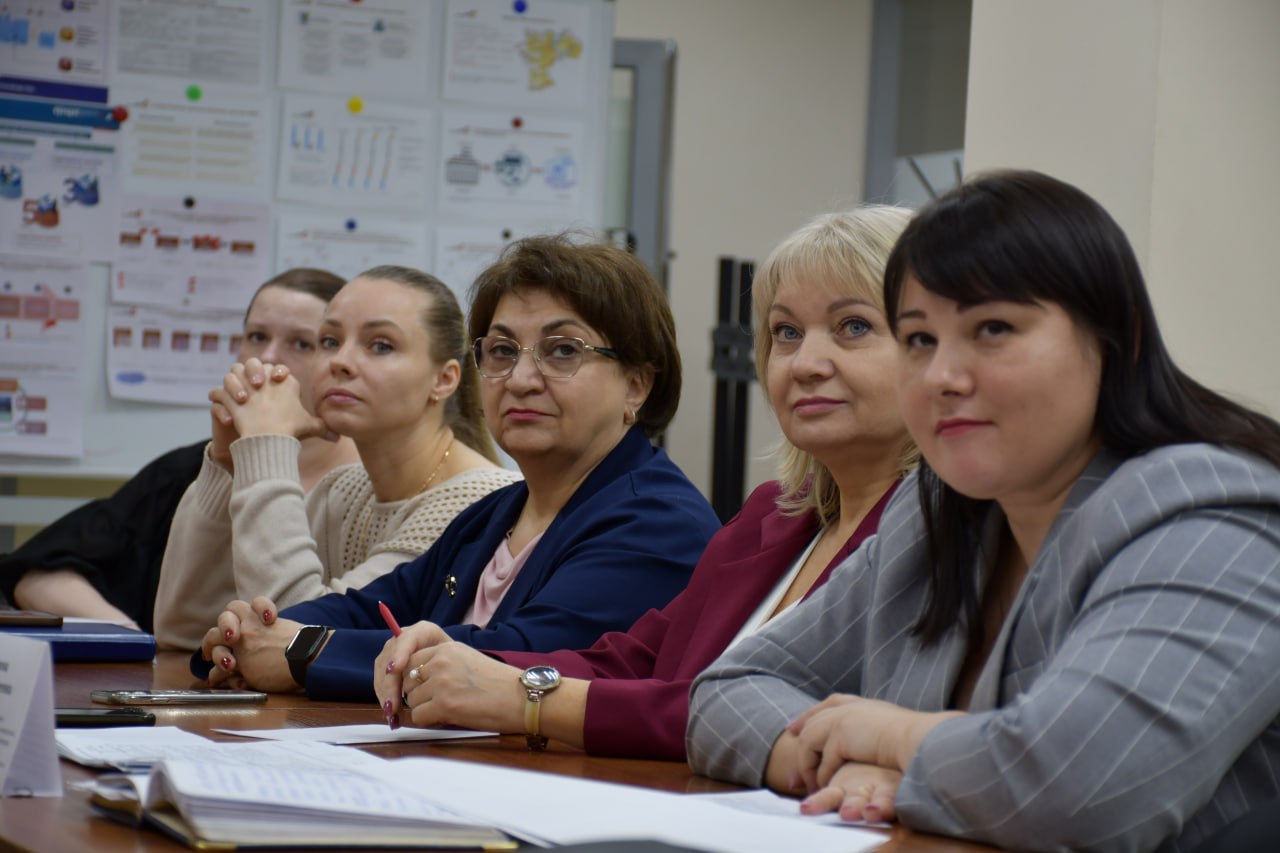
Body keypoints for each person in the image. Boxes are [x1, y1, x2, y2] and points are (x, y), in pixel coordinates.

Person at [686, 170, 1280, 852]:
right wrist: (839, 766)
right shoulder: (933, 506)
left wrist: (895, 738)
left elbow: (1077, 790)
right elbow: (728, 687)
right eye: (918, 338)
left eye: (992, 328)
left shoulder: (1217, 514)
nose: (943, 375)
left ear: (1116, 339)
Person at [371, 207, 917, 759]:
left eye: (853, 327)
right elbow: (637, 659)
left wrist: (528, 697)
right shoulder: (772, 516)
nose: (805, 363)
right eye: (787, 333)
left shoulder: (937, 531)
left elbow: (760, 709)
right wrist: (472, 668)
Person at [194, 236, 721, 706]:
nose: (520, 379)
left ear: (637, 386)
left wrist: (298, 650)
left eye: (562, 351)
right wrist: (252, 633)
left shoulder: (657, 521)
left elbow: (515, 656)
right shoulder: (496, 514)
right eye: (502, 350)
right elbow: (369, 608)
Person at [154, 266, 518, 650]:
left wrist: (267, 442)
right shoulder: (341, 491)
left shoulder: (478, 502)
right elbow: (183, 630)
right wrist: (228, 464)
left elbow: (291, 643)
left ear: (444, 379)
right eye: (329, 341)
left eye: (381, 345)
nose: (340, 361)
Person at [0, 268, 360, 630]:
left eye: (302, 343)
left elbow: (304, 627)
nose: (267, 358)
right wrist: (132, 641)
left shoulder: (374, 484)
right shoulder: (193, 467)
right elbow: (36, 574)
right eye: (256, 336)